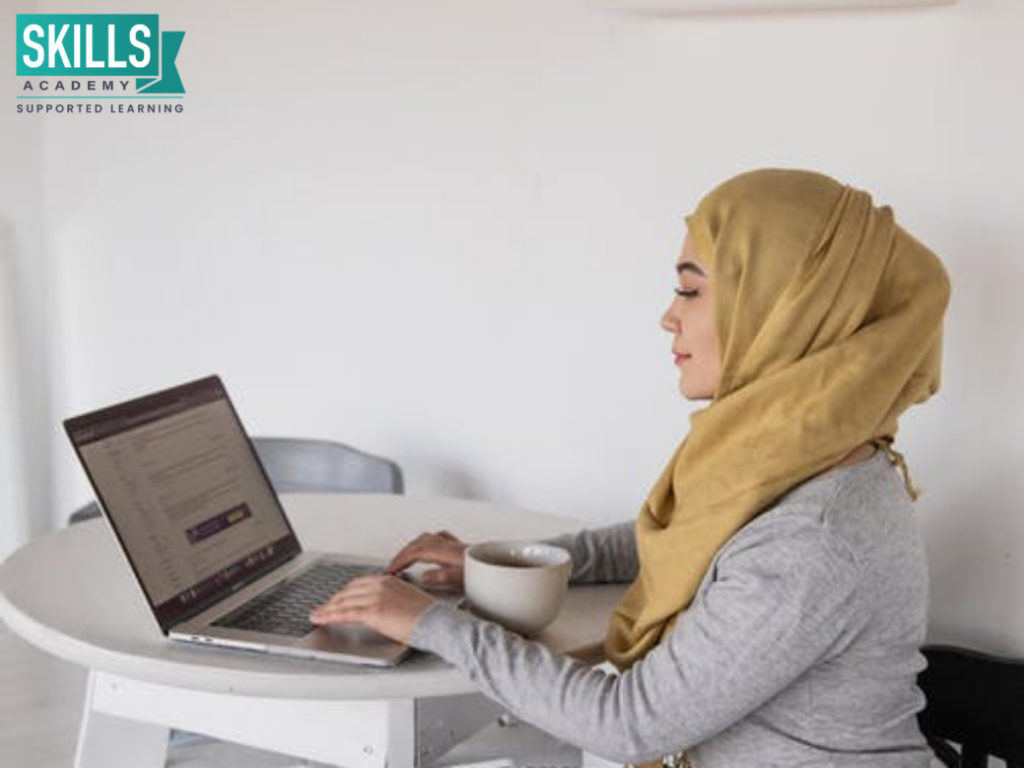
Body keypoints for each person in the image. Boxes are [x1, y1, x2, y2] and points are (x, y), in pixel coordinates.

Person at [310, 168, 951, 768]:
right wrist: (506, 561)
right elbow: (681, 540)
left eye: (692, 289)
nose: (669, 315)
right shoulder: (794, 457)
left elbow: (628, 721)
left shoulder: (814, 540)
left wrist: (428, 622)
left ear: (783, 312)